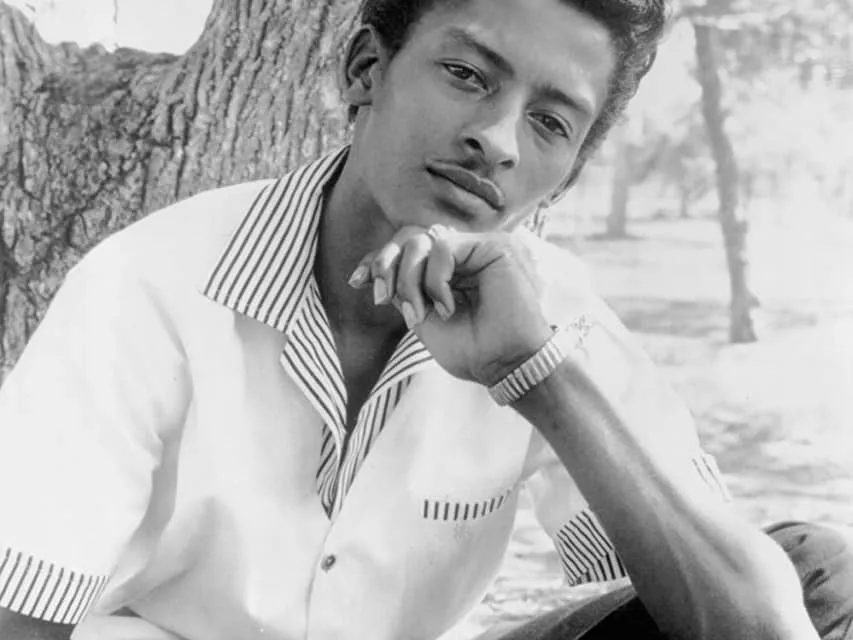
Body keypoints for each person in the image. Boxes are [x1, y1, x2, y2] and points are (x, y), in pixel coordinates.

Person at [0, 0, 850, 638]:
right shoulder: (149, 286)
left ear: (567, 171)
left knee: (814, 571)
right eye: (467, 75)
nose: (498, 140)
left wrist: (533, 374)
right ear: (365, 69)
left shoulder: (558, 316)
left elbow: (755, 626)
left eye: (550, 122)